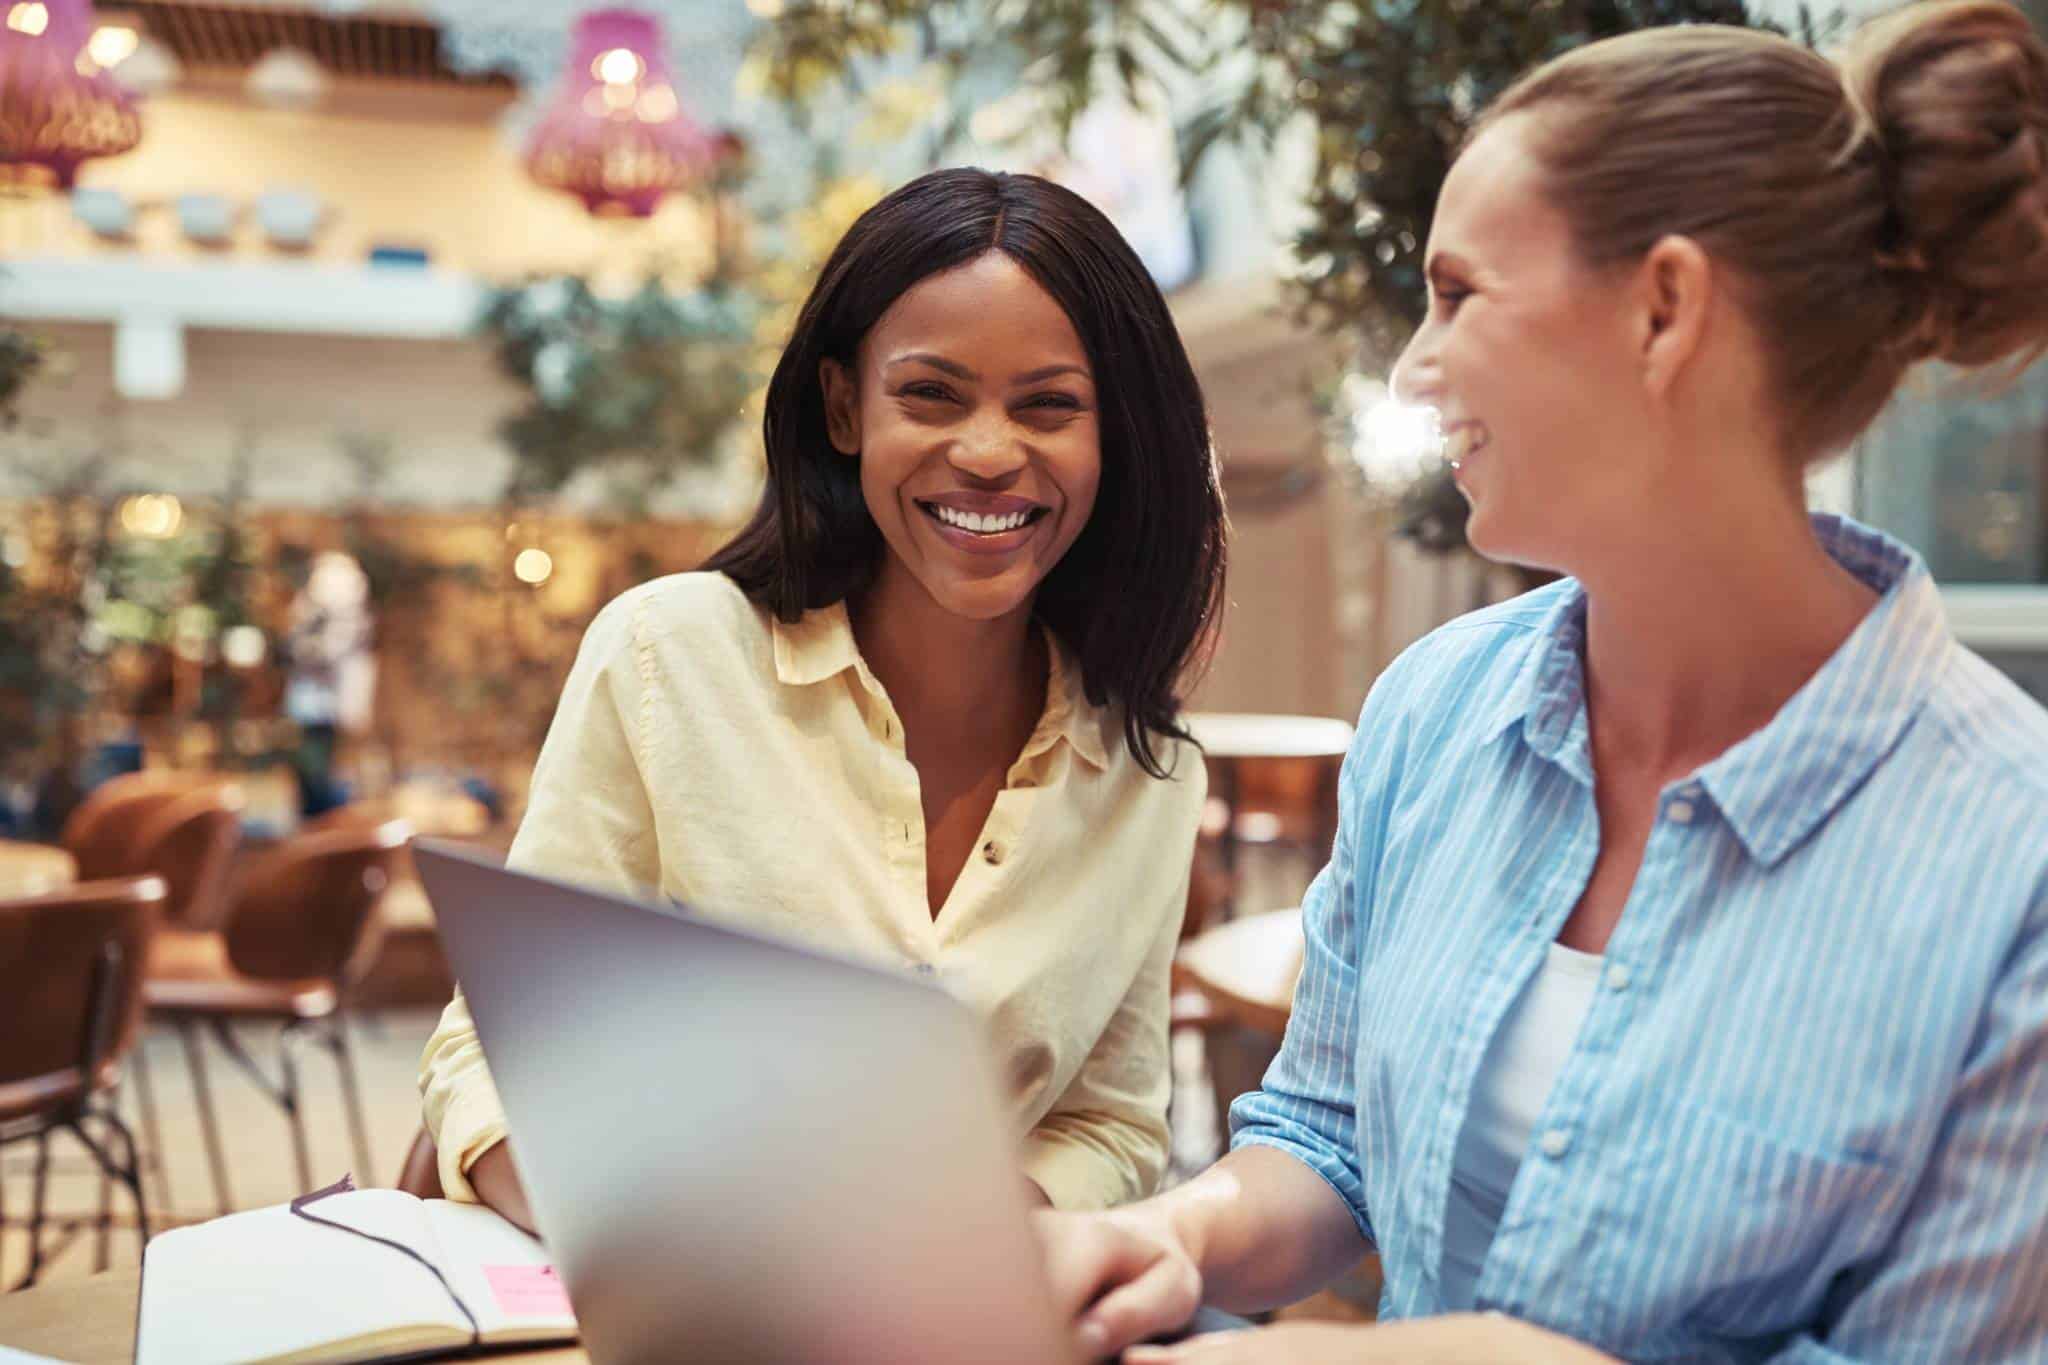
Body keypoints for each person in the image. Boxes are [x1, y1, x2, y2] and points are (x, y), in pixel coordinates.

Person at [1035, 3, 2048, 1360]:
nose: (1414, 363)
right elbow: (1327, 1129)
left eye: (1457, 295)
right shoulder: (1437, 710)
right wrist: (1180, 1234)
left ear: (1665, 309)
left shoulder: (2013, 866)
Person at [420, 168, 1227, 1230]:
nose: (987, 454)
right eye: (930, 395)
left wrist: (953, 1251)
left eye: (1047, 407)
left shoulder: (1147, 774)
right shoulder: (669, 656)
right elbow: (497, 1047)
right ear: (844, 407)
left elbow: (1109, 1127)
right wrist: (675, 1246)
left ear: (1113, 440)